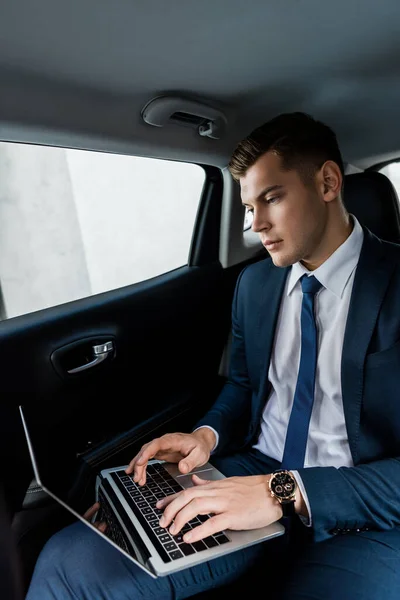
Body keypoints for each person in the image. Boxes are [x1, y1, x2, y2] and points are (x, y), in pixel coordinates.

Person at [26, 112, 400, 599]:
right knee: (68, 566)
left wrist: (280, 493)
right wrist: (205, 435)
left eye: (272, 198)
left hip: (367, 508)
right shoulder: (255, 284)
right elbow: (242, 387)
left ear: (327, 182)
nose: (256, 225)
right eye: (249, 207)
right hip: (250, 471)